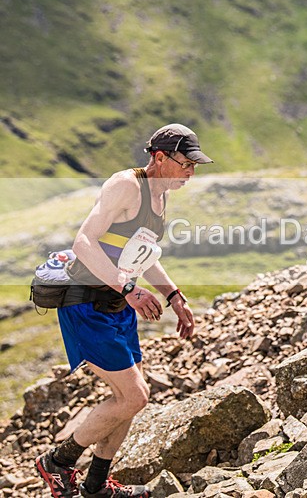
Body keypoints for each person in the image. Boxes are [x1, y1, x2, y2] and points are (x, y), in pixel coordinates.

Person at [35, 124, 213, 498]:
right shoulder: (126, 186)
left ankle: (96, 485)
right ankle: (57, 462)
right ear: (159, 157)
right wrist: (129, 288)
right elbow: (83, 242)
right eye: (185, 163)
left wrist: (173, 295)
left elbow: (141, 255)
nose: (191, 172)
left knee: (131, 398)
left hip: (117, 304)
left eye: (195, 165)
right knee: (134, 397)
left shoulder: (160, 198)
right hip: (85, 302)